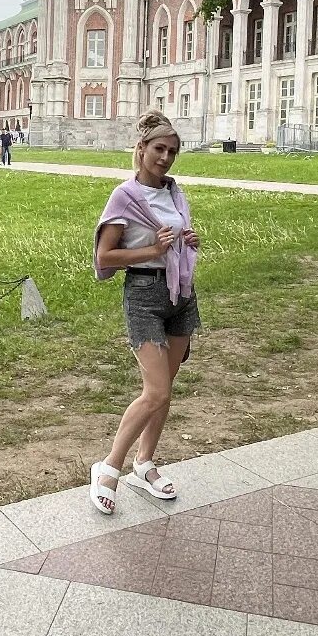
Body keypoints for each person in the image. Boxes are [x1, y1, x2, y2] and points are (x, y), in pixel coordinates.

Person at [89, 109, 201, 515]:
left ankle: (145, 462)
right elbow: (105, 257)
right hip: (143, 294)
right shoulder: (125, 196)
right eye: (159, 149)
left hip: (180, 296)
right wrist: (153, 250)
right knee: (156, 391)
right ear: (141, 150)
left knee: (164, 391)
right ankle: (109, 469)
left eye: (173, 151)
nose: (166, 158)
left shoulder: (174, 191)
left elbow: (177, 237)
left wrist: (189, 239)